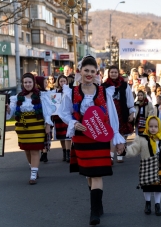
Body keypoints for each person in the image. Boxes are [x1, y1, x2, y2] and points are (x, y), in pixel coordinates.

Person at [58, 55, 125, 225]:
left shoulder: (104, 91)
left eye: (92, 71)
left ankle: (94, 211)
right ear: (80, 71)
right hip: (81, 139)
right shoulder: (71, 92)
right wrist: (74, 123)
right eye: (85, 70)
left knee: (96, 174)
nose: (88, 73)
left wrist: (117, 138)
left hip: (100, 137)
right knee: (88, 174)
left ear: (96, 73)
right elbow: (63, 113)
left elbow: (112, 116)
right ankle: (98, 203)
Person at [6, 73, 53, 184]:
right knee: (27, 150)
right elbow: (11, 113)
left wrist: (47, 125)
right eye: (25, 82)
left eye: (29, 82)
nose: (27, 84)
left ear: (34, 83)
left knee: (34, 150)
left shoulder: (41, 95)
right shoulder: (17, 97)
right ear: (23, 83)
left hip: (37, 126)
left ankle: (33, 175)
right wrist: (7, 109)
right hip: (23, 128)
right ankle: (34, 168)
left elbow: (47, 111)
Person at [126, 116, 161, 216]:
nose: (153, 128)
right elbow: (134, 149)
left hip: (160, 167)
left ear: (159, 127)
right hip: (146, 167)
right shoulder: (142, 139)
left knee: (159, 188)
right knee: (147, 187)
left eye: (156, 126)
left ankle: (157, 205)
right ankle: (147, 204)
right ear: (147, 126)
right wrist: (125, 151)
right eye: (150, 126)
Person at [102, 65, 136, 164]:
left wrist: (131, 112)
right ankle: (111, 157)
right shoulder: (104, 86)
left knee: (121, 133)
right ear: (108, 74)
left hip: (122, 111)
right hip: (110, 112)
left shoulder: (124, 85)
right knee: (111, 134)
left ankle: (120, 154)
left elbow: (129, 99)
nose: (113, 74)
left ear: (118, 73)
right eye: (111, 72)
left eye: (115, 72)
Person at [51, 75, 72, 162]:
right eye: (61, 81)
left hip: (67, 115)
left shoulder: (70, 91)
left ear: (67, 82)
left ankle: (68, 153)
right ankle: (64, 151)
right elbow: (52, 104)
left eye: (64, 81)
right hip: (58, 116)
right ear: (58, 82)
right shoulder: (55, 92)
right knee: (61, 136)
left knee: (67, 135)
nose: (63, 83)